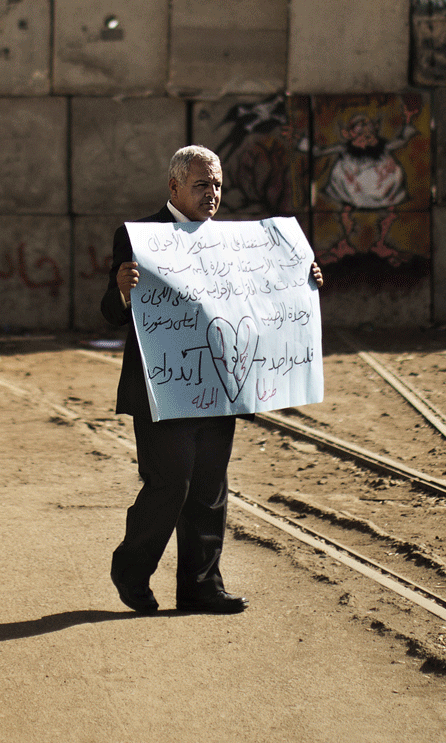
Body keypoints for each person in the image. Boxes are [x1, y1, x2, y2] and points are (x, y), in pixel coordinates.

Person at [102, 145, 321, 615]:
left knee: (208, 488)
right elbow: (109, 313)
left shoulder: (238, 245)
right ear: (174, 186)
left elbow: (265, 304)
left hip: (220, 384)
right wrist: (121, 292)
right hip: (164, 387)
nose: (213, 193)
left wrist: (304, 280)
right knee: (170, 485)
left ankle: (201, 586)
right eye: (202, 184)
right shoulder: (140, 236)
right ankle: (131, 569)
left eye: (218, 184)